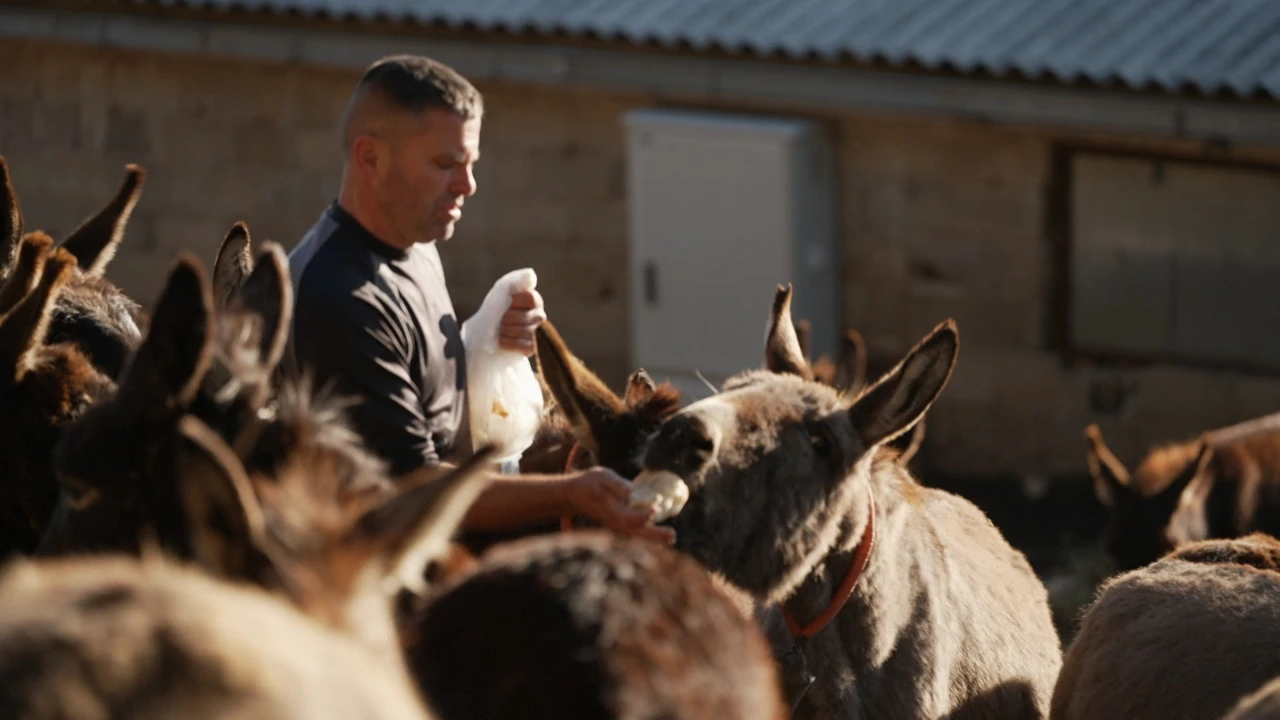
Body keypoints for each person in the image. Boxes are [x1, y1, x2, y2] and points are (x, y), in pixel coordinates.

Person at [284, 54, 673, 545]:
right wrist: (569, 493)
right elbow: (413, 488)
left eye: (470, 164)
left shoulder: (412, 243)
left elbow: (422, 397)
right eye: (445, 165)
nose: (467, 186)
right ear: (371, 158)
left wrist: (486, 344)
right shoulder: (341, 296)